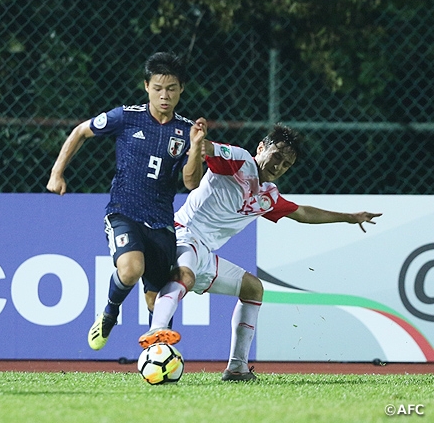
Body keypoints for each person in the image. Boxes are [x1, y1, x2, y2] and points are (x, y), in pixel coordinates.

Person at [138, 124, 382, 381]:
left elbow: (304, 213)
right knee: (185, 274)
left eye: (286, 164)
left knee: (253, 288)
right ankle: (158, 332)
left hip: (204, 252)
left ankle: (237, 368)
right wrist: (197, 141)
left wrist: (349, 218)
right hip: (182, 235)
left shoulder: (268, 196)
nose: (278, 166)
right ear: (261, 148)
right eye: (276, 156)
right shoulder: (238, 160)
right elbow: (205, 148)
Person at [47, 52, 207, 350]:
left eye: (171, 88)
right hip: (124, 211)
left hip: (161, 220)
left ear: (181, 89)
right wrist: (57, 173)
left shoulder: (186, 131)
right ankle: (109, 313)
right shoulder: (127, 116)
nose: (164, 95)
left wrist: (196, 147)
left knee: (157, 300)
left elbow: (191, 183)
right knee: (131, 269)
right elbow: (81, 131)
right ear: (146, 86)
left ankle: (158, 357)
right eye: (158, 88)